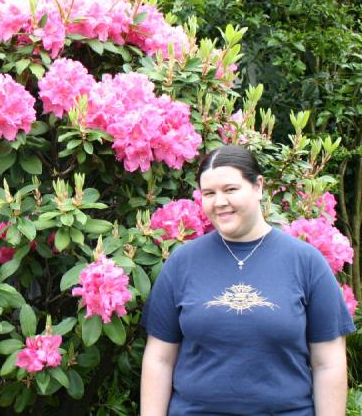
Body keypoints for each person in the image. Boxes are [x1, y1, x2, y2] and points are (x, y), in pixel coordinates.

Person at [140, 145, 355, 415]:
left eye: (230, 189)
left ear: (258, 186)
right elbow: (159, 359)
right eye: (209, 193)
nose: (219, 202)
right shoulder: (182, 262)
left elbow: (329, 363)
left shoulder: (307, 262)